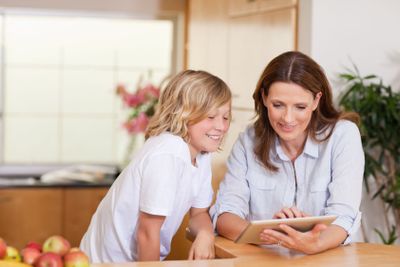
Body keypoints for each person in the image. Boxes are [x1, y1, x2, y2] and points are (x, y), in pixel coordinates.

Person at [210, 51, 364, 255]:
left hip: (328, 260)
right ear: (264, 97)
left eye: (300, 107)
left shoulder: (343, 136)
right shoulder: (248, 140)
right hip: (265, 260)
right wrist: (272, 233)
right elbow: (225, 215)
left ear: (317, 100)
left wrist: (313, 242)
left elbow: (344, 216)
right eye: (278, 105)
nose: (288, 118)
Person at [80, 70, 232, 263]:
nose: (221, 126)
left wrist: (205, 234)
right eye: (210, 117)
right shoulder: (169, 153)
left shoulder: (201, 153)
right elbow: (147, 233)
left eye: (226, 117)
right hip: (107, 264)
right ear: (183, 114)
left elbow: (199, 213)